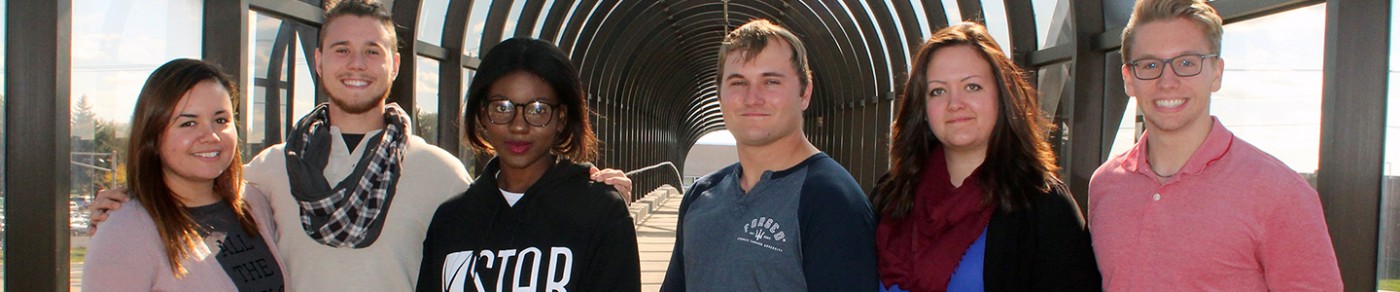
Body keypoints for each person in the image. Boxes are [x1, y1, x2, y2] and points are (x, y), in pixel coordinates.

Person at [86, 1, 632, 290]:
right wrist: (129, 201)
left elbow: (515, 213)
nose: (356, 64)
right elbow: (194, 195)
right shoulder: (268, 173)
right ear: (318, 62)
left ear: (395, 65)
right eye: (341, 49)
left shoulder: (440, 173)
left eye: (373, 51)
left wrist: (587, 185)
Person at [1089, 0, 1342, 290]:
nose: (1167, 81)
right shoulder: (1105, 185)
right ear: (1129, 80)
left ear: (1217, 73)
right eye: (1149, 65)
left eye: (1186, 63)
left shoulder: (1280, 193)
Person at [870, 23, 1100, 292]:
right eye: (938, 91)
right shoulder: (891, 197)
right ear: (922, 108)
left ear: (1002, 96)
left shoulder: (1043, 207)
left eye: (972, 87)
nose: (955, 103)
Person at [659, 19, 879, 291]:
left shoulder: (830, 199)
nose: (753, 98)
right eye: (738, 82)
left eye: (771, 81)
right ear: (719, 95)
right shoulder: (701, 196)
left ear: (804, 93)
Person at [416, 37, 640, 292]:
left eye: (537, 110)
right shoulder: (452, 220)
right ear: (482, 115)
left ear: (561, 118)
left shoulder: (599, 212)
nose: (518, 126)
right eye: (502, 107)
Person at [83, 58, 285, 291]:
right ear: (153, 136)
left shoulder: (252, 203)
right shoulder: (126, 229)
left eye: (221, 120)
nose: (211, 136)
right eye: (189, 123)